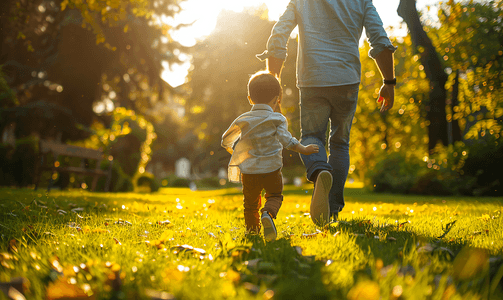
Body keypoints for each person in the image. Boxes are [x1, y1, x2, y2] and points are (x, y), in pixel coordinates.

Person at [257, 0, 397, 225]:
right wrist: (388, 81)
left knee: (312, 137)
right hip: (347, 80)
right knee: (340, 143)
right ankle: (331, 210)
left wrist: (274, 81)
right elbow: (379, 39)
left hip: (313, 79)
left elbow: (278, 36)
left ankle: (319, 170)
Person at [222, 71, 319, 241]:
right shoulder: (277, 119)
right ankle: (267, 213)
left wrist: (231, 149)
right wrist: (303, 149)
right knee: (274, 196)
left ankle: (252, 232)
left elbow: (225, 139)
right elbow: (286, 140)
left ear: (250, 98)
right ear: (276, 99)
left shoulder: (243, 119)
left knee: (250, 205)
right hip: (272, 170)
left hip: (249, 172)